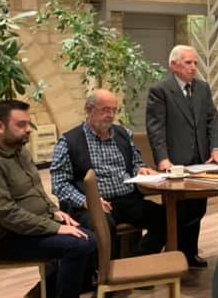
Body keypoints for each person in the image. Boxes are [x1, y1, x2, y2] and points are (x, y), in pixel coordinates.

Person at [0, 100, 97, 298]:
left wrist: (55, 212)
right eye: (21, 124)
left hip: (28, 227)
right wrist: (55, 228)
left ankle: (44, 294)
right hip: (5, 238)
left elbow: (36, 192)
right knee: (77, 244)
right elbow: (8, 214)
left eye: (28, 124)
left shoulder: (19, 151)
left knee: (90, 235)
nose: (28, 130)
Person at [50, 89, 166, 256]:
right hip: (91, 205)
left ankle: (138, 261)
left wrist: (141, 170)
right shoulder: (69, 142)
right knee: (103, 227)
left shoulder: (124, 134)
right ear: (88, 109)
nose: (110, 115)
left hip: (128, 199)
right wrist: (87, 201)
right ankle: (108, 269)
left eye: (114, 110)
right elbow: (59, 184)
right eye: (105, 110)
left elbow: (135, 163)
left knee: (166, 217)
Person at [146, 44, 218, 267]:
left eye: (195, 63)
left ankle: (190, 253)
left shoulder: (203, 88)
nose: (193, 67)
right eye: (188, 63)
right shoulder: (161, 90)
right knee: (180, 211)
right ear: (174, 65)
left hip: (201, 159)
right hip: (175, 161)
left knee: (198, 208)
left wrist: (216, 148)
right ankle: (173, 254)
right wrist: (162, 158)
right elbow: (156, 128)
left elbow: (212, 120)